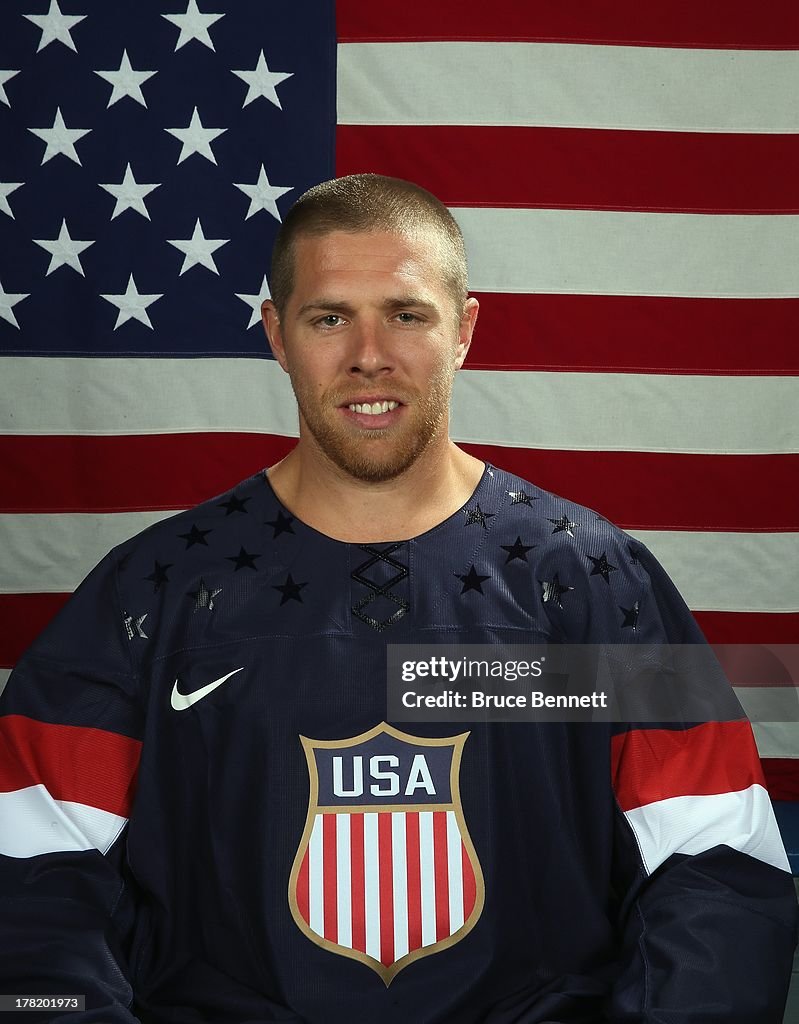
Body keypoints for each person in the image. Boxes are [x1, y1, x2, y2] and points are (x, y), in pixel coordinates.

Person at [0, 173, 796, 1023]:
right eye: (330, 317)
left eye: (407, 314)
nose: (369, 354)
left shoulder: (590, 582)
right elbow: (31, 875)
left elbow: (717, 862)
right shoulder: (153, 591)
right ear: (277, 334)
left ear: (463, 328)